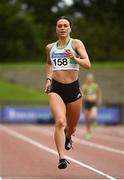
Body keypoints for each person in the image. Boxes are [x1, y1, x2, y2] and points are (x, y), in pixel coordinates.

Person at [44, 16, 91, 169]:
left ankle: (68, 136)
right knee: (59, 122)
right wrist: (48, 80)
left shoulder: (76, 43)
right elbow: (49, 64)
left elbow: (87, 64)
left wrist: (75, 58)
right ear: (56, 29)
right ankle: (62, 158)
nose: (62, 28)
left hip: (73, 89)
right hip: (56, 88)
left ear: (70, 28)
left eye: (65, 25)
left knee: (71, 128)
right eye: (60, 26)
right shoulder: (50, 47)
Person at [82, 73, 102, 140]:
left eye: (91, 78)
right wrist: (85, 98)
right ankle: (88, 133)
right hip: (86, 103)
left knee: (93, 116)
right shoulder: (84, 86)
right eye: (88, 78)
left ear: (92, 79)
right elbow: (82, 95)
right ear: (87, 79)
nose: (89, 79)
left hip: (93, 103)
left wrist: (99, 100)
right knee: (87, 120)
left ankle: (94, 121)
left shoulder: (95, 86)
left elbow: (98, 93)